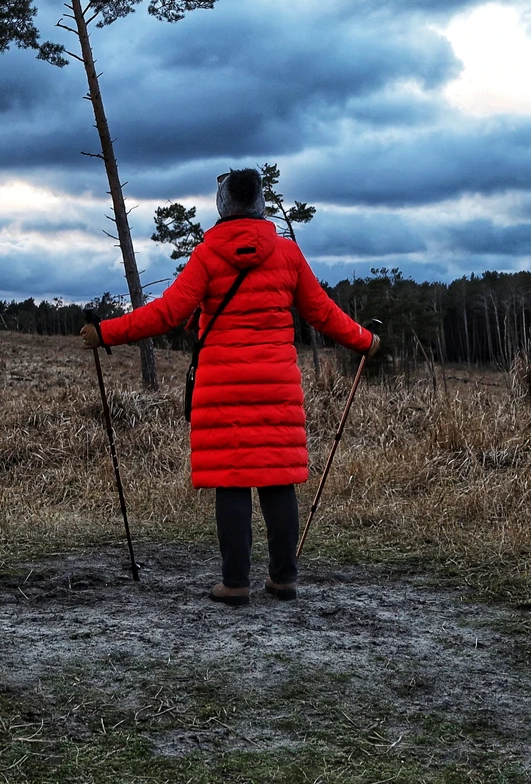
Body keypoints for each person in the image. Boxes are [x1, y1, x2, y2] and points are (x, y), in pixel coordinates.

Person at [80, 168, 379, 606]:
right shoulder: (287, 255)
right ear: (261, 203)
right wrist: (365, 340)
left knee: (232, 481)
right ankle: (283, 580)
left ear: (223, 205)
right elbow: (323, 313)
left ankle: (235, 583)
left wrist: (104, 333)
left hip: (222, 386)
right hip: (275, 384)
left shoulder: (207, 256)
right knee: (279, 479)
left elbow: (165, 314)